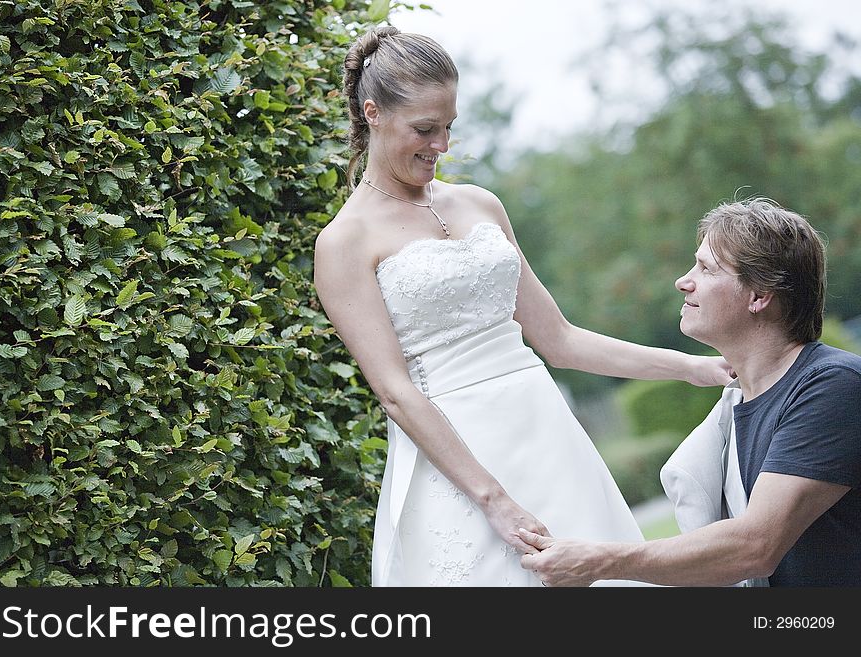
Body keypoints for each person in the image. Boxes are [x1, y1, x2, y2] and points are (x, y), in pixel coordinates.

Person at [313, 26, 733, 587]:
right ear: (373, 114)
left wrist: (694, 367)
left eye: (449, 128)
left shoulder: (481, 205)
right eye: (425, 129)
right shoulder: (344, 243)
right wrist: (494, 499)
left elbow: (559, 339)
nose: (441, 145)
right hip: (459, 463)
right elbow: (395, 391)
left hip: (546, 433)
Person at [519, 199, 861, 587]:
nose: (684, 281)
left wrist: (599, 560)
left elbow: (756, 547)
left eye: (707, 269)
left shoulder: (831, 386)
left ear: (759, 295)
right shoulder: (740, 402)